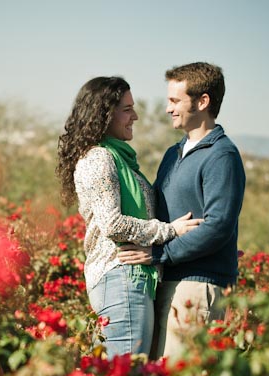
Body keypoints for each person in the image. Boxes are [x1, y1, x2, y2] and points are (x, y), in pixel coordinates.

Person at [56, 76, 202, 358]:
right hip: (121, 278)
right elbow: (113, 224)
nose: (135, 116)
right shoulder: (99, 158)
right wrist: (171, 230)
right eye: (127, 109)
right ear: (104, 114)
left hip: (129, 280)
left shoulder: (118, 159)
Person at [119, 62, 246, 359]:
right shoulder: (172, 154)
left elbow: (217, 227)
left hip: (197, 287)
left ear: (203, 102)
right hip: (168, 282)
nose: (167, 109)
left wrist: (158, 254)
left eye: (175, 101)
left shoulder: (221, 156)